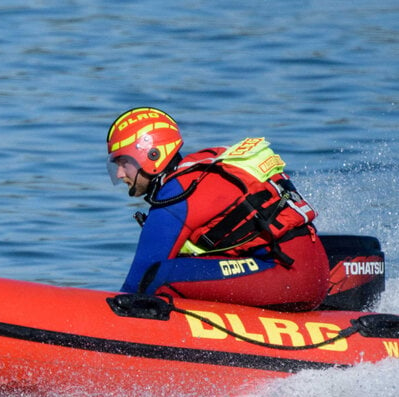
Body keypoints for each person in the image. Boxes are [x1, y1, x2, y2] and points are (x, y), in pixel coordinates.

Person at [105, 107, 330, 311]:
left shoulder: (176, 195)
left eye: (124, 163)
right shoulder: (201, 169)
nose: (119, 174)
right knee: (182, 267)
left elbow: (137, 283)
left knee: (158, 276)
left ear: (152, 155)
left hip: (290, 277)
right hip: (308, 272)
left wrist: (104, 318)